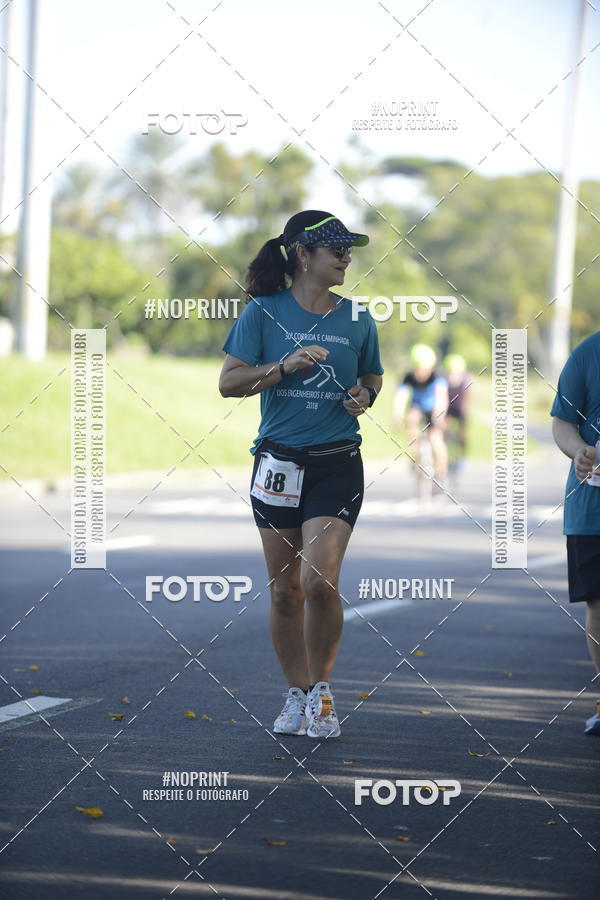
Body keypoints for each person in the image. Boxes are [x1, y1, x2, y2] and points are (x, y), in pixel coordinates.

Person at [219, 210, 383, 739]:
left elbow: (373, 375)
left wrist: (367, 394)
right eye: (335, 247)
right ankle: (297, 693)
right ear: (302, 255)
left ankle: (323, 694)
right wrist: (283, 367)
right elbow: (229, 383)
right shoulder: (263, 314)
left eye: (348, 248)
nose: (346, 256)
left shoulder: (358, 318)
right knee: (285, 589)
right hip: (278, 463)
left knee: (318, 580)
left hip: (337, 461)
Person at [550, 331, 600, 734]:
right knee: (599, 602)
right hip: (593, 507)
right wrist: (579, 450)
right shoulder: (587, 353)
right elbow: (563, 422)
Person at [392, 343, 449, 484]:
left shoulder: (437, 375)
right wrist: (396, 415)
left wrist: (439, 416)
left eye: (424, 369)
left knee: (435, 439)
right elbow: (401, 397)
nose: (420, 373)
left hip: (434, 408)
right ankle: (416, 456)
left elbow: (442, 397)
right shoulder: (408, 377)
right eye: (417, 369)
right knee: (411, 418)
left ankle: (441, 471)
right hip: (417, 406)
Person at [443, 353, 471, 474]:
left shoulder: (466, 381)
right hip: (448, 408)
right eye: (450, 373)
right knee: (442, 429)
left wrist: (464, 413)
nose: (452, 376)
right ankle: (445, 455)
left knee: (462, 433)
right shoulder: (443, 380)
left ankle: (463, 457)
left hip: (460, 408)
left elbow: (467, 399)